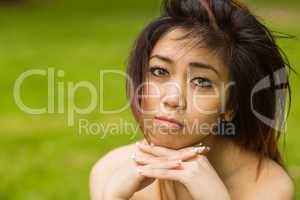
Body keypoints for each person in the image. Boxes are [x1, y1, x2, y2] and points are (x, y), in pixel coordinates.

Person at [89, 0, 295, 199]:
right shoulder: (111, 174)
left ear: (230, 105)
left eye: (202, 82)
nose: (172, 98)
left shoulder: (266, 187)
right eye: (159, 71)